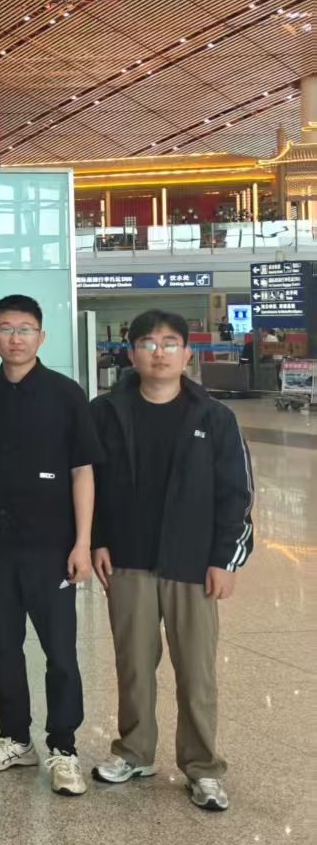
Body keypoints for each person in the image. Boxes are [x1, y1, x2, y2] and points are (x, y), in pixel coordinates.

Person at [90, 309, 253, 811]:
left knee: (196, 673)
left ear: (187, 354)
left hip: (193, 565)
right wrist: (96, 539)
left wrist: (225, 560)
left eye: (168, 343)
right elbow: (89, 482)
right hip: (128, 560)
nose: (157, 352)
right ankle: (134, 752)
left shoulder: (214, 417)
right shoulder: (105, 412)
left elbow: (237, 495)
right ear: (131, 353)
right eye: (146, 342)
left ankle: (203, 768)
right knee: (134, 665)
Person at [0, 295, 103, 797]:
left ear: (41, 337)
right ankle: (15, 738)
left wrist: (82, 543)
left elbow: (82, 471)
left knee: (59, 650)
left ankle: (64, 746)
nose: (15, 337)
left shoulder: (66, 394)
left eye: (25, 329)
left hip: (52, 546)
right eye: (5, 328)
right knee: (4, 646)